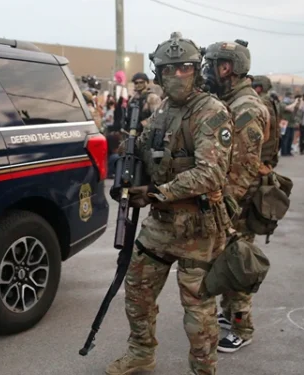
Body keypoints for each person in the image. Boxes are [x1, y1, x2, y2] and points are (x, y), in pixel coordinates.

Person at [106, 31, 235, 375]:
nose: (177, 76)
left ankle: (204, 369)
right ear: (158, 74)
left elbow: (210, 174)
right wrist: (126, 167)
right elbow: (146, 154)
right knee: (137, 289)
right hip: (161, 224)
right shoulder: (163, 111)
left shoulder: (211, 112)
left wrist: (154, 193)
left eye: (185, 69)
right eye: (169, 70)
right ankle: (141, 353)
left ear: (197, 70)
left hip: (199, 227)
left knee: (198, 310)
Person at [202, 39, 269, 353]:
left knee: (237, 260)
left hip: (237, 203)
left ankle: (243, 327)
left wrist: (224, 207)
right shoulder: (228, 100)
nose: (207, 70)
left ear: (227, 67)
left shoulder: (246, 107)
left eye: (212, 64)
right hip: (227, 199)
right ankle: (230, 316)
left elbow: (244, 166)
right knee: (224, 260)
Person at [252, 75, 282, 169]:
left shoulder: (259, 102)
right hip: (267, 156)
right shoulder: (268, 101)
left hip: (261, 156)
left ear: (258, 88)